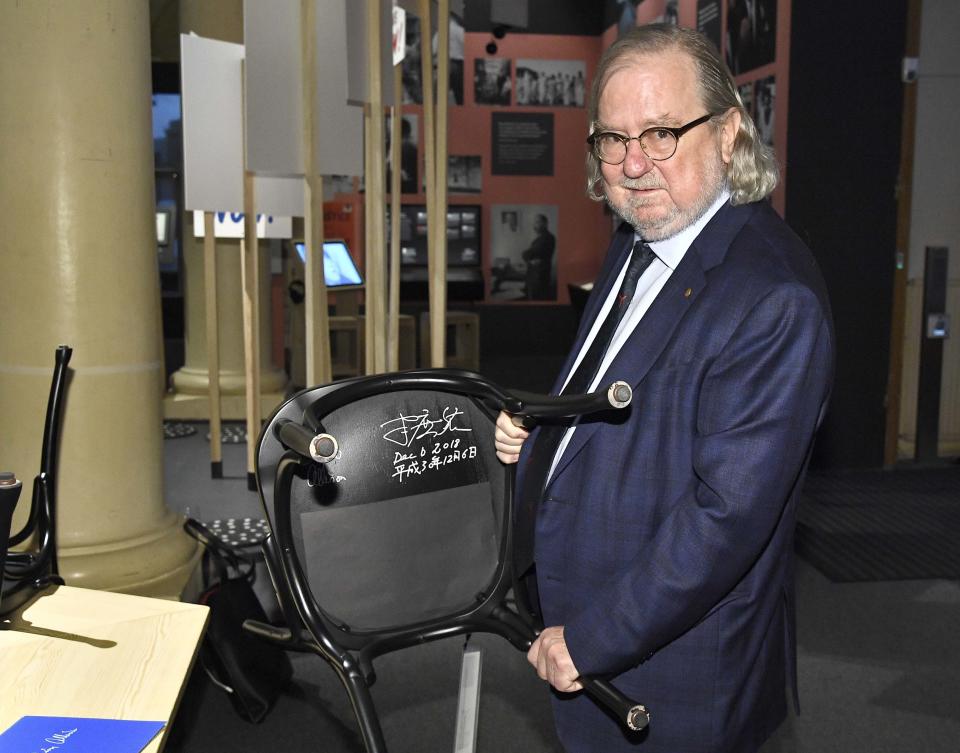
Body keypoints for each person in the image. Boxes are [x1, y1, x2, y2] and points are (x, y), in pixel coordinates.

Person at [494, 24, 833, 753]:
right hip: (589, 624)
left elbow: (723, 521)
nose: (633, 163)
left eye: (661, 132)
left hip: (668, 674)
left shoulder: (773, 297)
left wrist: (590, 640)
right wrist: (539, 427)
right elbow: (612, 392)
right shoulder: (642, 239)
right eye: (612, 139)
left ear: (729, 131)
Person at [521, 214, 556, 300]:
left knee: (537, 299)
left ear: (545, 223)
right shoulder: (539, 239)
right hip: (534, 275)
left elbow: (529, 254)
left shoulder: (548, 238)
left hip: (539, 277)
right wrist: (529, 259)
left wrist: (526, 255)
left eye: (537, 222)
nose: (534, 225)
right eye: (534, 223)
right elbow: (529, 255)